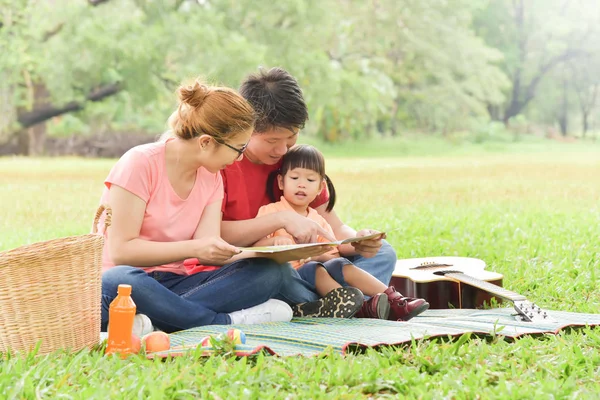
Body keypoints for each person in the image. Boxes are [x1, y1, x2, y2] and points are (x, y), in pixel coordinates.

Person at [99, 78, 335, 335]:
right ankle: (225, 323)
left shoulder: (211, 177)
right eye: (238, 148)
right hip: (129, 281)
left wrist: (264, 254)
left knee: (271, 272)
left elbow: (207, 248)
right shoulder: (139, 164)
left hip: (181, 285)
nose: (241, 157)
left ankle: (155, 320)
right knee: (118, 279)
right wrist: (197, 247)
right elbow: (122, 251)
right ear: (206, 142)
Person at [220, 67, 398, 303]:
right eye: (272, 140)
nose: (282, 150)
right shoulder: (224, 163)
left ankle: (338, 302)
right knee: (275, 274)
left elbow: (333, 228)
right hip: (264, 266)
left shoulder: (297, 164)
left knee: (383, 252)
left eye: (291, 136)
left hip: (318, 265)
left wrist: (358, 240)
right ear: (245, 128)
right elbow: (216, 236)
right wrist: (280, 220)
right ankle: (355, 303)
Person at [254, 144, 430, 320]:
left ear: (321, 188)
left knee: (340, 264)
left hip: (318, 287)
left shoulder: (319, 220)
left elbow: (333, 257)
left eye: (310, 180)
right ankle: (357, 307)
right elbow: (254, 247)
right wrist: (275, 243)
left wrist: (320, 254)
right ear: (281, 182)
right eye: (294, 177)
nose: (302, 184)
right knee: (314, 268)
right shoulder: (272, 213)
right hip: (290, 282)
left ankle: (396, 300)